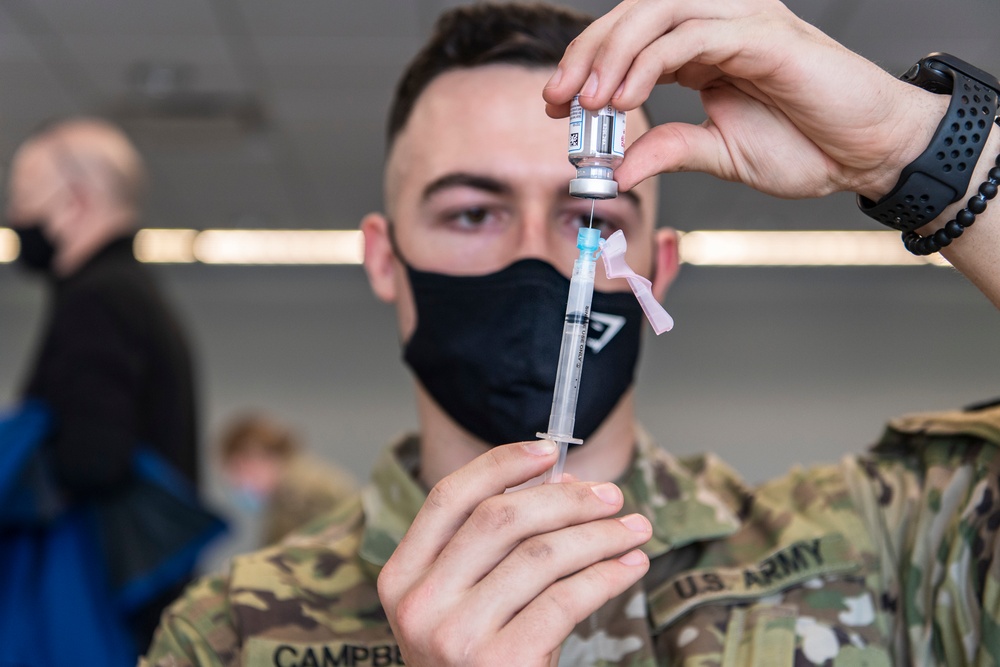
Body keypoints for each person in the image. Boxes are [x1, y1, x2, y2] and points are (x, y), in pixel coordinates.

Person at [144, 1, 1000, 665]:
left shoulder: (879, 545)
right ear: (384, 256)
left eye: (588, 213)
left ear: (656, 268)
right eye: (473, 212)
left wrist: (916, 147)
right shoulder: (230, 631)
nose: (537, 259)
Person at [4, 117, 202, 652]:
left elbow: (92, 459)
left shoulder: (98, 299)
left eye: (23, 199)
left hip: (97, 612)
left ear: (75, 200)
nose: (16, 219)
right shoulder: (135, 294)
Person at [218, 411, 359, 545]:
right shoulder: (286, 494)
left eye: (238, 470)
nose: (236, 483)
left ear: (254, 457)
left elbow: (318, 554)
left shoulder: (308, 492)